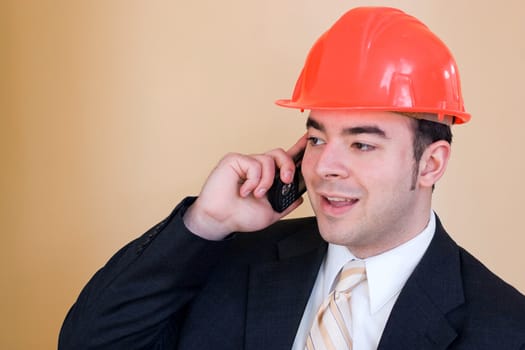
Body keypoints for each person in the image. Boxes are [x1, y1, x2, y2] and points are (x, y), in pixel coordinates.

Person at [59, 6, 525, 350]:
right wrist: (205, 222)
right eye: (318, 139)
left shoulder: (504, 326)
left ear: (431, 164)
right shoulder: (230, 259)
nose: (324, 167)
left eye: (362, 144)